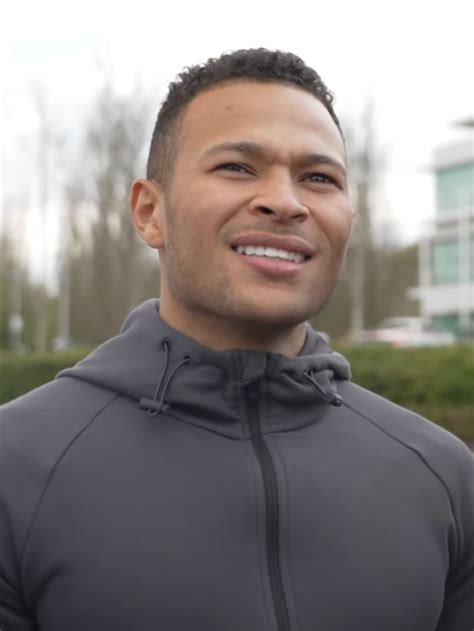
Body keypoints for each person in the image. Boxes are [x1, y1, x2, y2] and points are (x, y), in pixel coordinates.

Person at [0, 49, 472, 631]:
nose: (286, 202)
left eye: (318, 178)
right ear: (149, 212)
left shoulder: (443, 476)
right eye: (237, 167)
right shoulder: (15, 468)